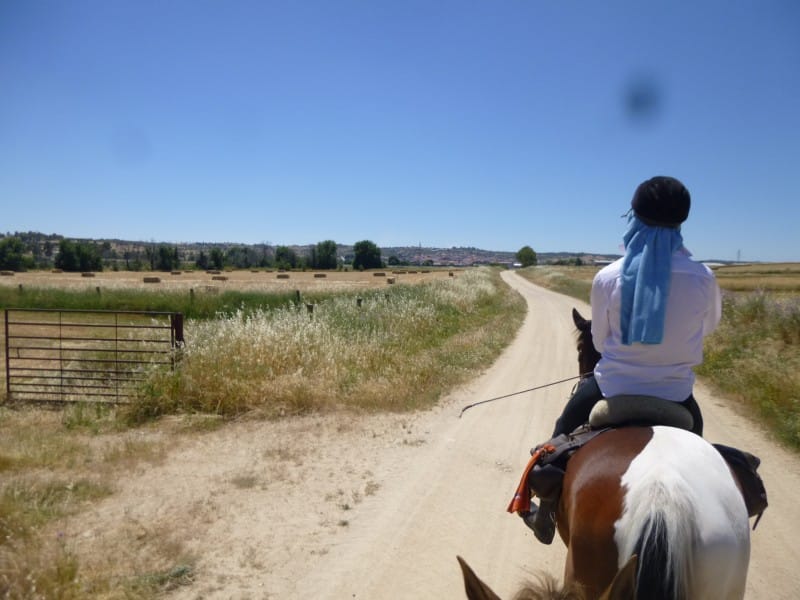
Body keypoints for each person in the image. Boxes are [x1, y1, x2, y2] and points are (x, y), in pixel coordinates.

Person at [522, 175, 722, 544]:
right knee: (705, 463)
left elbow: (598, 339)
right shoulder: (704, 278)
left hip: (611, 388)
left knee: (554, 446)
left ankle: (546, 511)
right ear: (681, 222)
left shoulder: (608, 277)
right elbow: (707, 328)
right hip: (677, 396)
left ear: (635, 219)